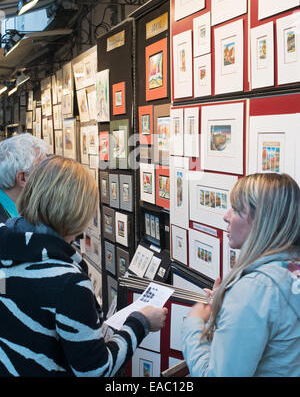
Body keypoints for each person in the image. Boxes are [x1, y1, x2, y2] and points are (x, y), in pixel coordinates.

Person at [0, 156, 167, 377]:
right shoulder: (67, 282)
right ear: (78, 211)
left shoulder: (9, 249)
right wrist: (141, 323)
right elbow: (95, 371)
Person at [181, 173, 300, 377]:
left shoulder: (254, 289)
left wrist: (193, 325)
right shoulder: (289, 270)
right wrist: (230, 307)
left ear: (261, 221)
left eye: (236, 209)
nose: (226, 216)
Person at [0, 133, 49, 223]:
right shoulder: (4, 226)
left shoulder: (23, 208)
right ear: (23, 178)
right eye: (43, 170)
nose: (49, 176)